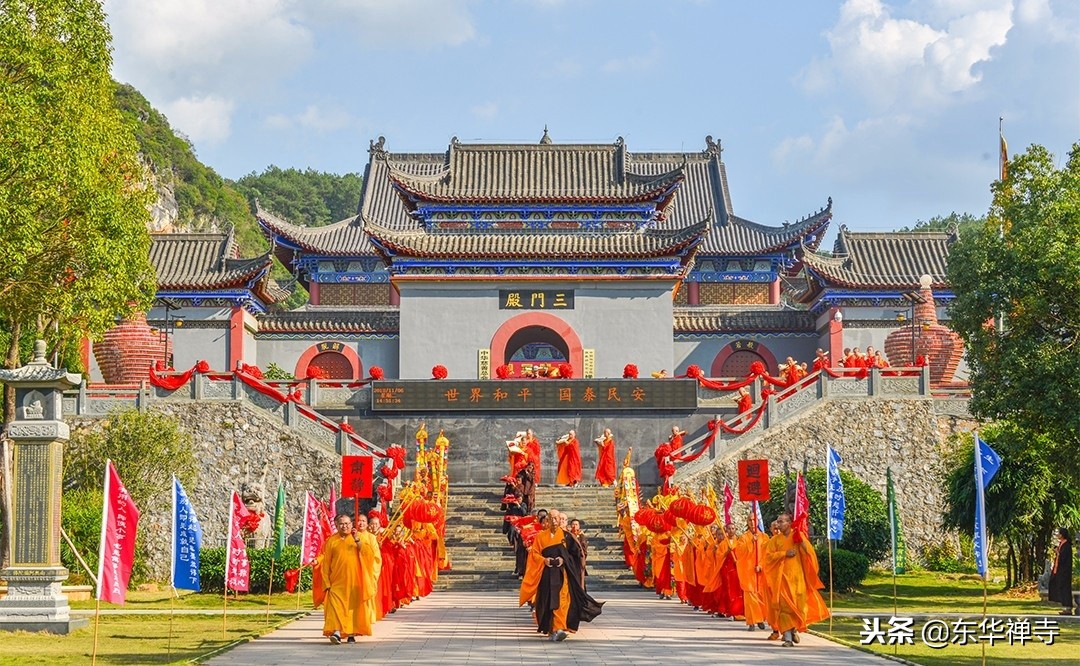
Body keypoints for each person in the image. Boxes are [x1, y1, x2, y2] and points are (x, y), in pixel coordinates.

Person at [519, 509, 604, 641]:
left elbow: (576, 555)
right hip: (546, 573)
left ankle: (559, 628)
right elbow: (534, 554)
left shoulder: (567, 536)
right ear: (547, 521)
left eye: (556, 518)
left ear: (560, 521)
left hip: (562, 573)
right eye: (551, 518)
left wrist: (564, 559)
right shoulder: (541, 537)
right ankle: (552, 629)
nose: (553, 521)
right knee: (547, 600)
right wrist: (544, 560)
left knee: (562, 599)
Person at [763, 512, 829, 647]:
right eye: (778, 521)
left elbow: (809, 553)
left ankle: (793, 629)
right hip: (782, 579)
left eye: (781, 521)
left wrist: (802, 542)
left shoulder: (797, 536)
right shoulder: (775, 540)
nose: (778, 524)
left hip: (798, 580)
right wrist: (784, 554)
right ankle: (787, 638)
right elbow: (768, 558)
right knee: (784, 608)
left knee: (799, 608)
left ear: (789, 523)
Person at [317, 514, 366, 644]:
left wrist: (356, 539)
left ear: (351, 524)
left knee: (351, 608)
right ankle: (337, 632)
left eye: (347, 523)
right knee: (335, 607)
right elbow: (326, 563)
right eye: (341, 524)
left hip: (354, 580)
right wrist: (326, 582)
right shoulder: (331, 541)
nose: (344, 526)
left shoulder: (358, 537)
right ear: (337, 525)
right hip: (336, 581)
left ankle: (351, 633)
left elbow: (366, 553)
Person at [735, 511, 770, 631]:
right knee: (750, 598)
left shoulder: (764, 537)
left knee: (761, 597)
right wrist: (751, 542)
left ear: (758, 521)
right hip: (748, 572)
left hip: (760, 572)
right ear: (747, 522)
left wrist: (761, 565)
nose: (752, 522)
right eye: (750, 520)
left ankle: (760, 619)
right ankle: (751, 621)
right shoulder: (743, 538)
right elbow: (739, 552)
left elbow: (767, 554)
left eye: (754, 520)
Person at [1048, 527, 1074, 616]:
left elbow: (1064, 558)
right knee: (1059, 587)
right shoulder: (1061, 544)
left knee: (1065, 589)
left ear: (1062, 534)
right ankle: (1064, 606)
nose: (1057, 534)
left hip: (1064, 571)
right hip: (1059, 570)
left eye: (1058, 533)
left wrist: (1057, 552)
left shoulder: (1066, 545)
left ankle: (1068, 608)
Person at [569, 518, 589, 590]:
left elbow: (584, 549)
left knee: (581, 580)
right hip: (571, 560)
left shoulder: (582, 536)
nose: (574, 526)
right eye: (573, 524)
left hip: (579, 561)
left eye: (576, 524)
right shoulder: (568, 535)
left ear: (579, 526)